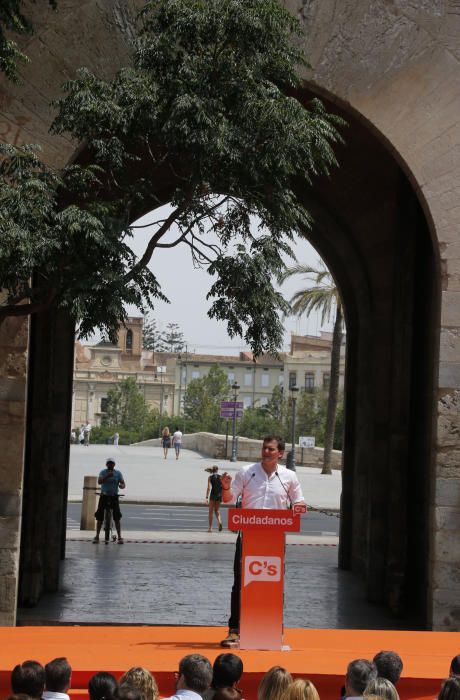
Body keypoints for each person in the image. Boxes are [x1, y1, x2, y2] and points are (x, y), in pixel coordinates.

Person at [220, 435, 305, 647]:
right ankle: (234, 629)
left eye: (271, 449)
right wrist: (225, 486)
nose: (266, 452)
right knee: (240, 582)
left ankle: (274, 627)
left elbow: (299, 501)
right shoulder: (247, 472)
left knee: (275, 582)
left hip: (274, 540)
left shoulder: (289, 476)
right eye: (264, 448)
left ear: (280, 453)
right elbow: (229, 499)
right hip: (248, 536)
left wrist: (299, 507)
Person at [93, 457, 126, 544]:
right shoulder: (103, 472)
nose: (110, 465)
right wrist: (107, 476)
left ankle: (119, 537)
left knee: (117, 517)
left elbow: (123, 483)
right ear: (106, 464)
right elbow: (99, 482)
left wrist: (122, 485)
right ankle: (97, 536)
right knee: (99, 516)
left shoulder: (118, 473)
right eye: (109, 463)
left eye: (112, 463)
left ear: (114, 464)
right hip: (104, 496)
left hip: (114, 496)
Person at [205, 466, 223, 533]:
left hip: (213, 495)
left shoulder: (210, 477)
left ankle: (210, 528)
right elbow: (223, 487)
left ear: (212, 470)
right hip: (219, 495)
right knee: (217, 510)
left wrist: (206, 497)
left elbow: (209, 488)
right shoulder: (221, 477)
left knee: (210, 511)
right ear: (217, 470)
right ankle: (219, 521)